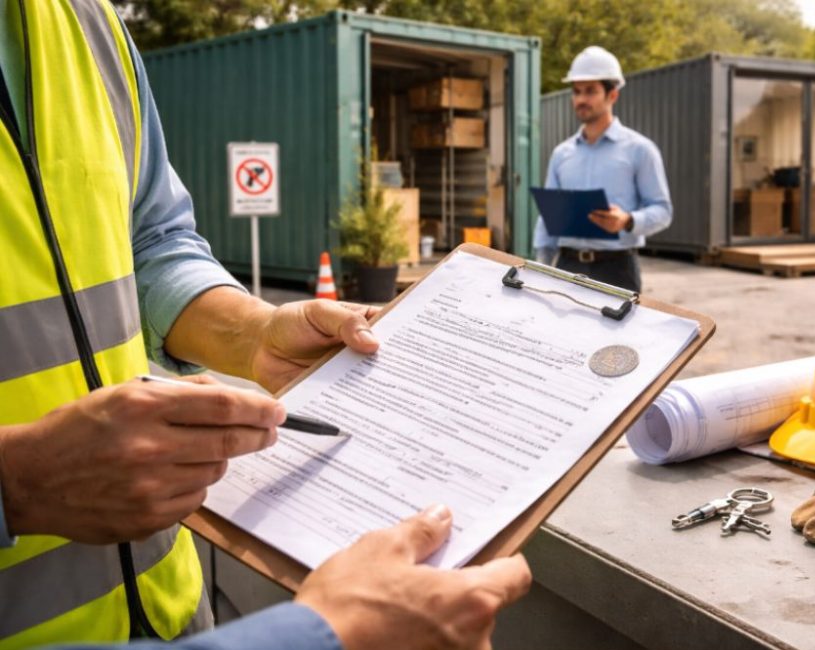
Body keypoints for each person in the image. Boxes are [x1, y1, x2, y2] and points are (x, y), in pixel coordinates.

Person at [0, 1, 530, 647]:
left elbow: (148, 238)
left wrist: (253, 334)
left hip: (167, 607)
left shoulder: (82, 20)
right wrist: (16, 483)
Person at [533, 46, 672, 293]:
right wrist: (541, 267)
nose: (581, 99)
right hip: (566, 266)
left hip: (617, 269)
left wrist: (628, 220)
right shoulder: (561, 154)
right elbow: (548, 218)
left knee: (619, 333)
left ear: (612, 95)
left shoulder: (640, 150)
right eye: (576, 92)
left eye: (590, 91)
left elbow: (663, 211)